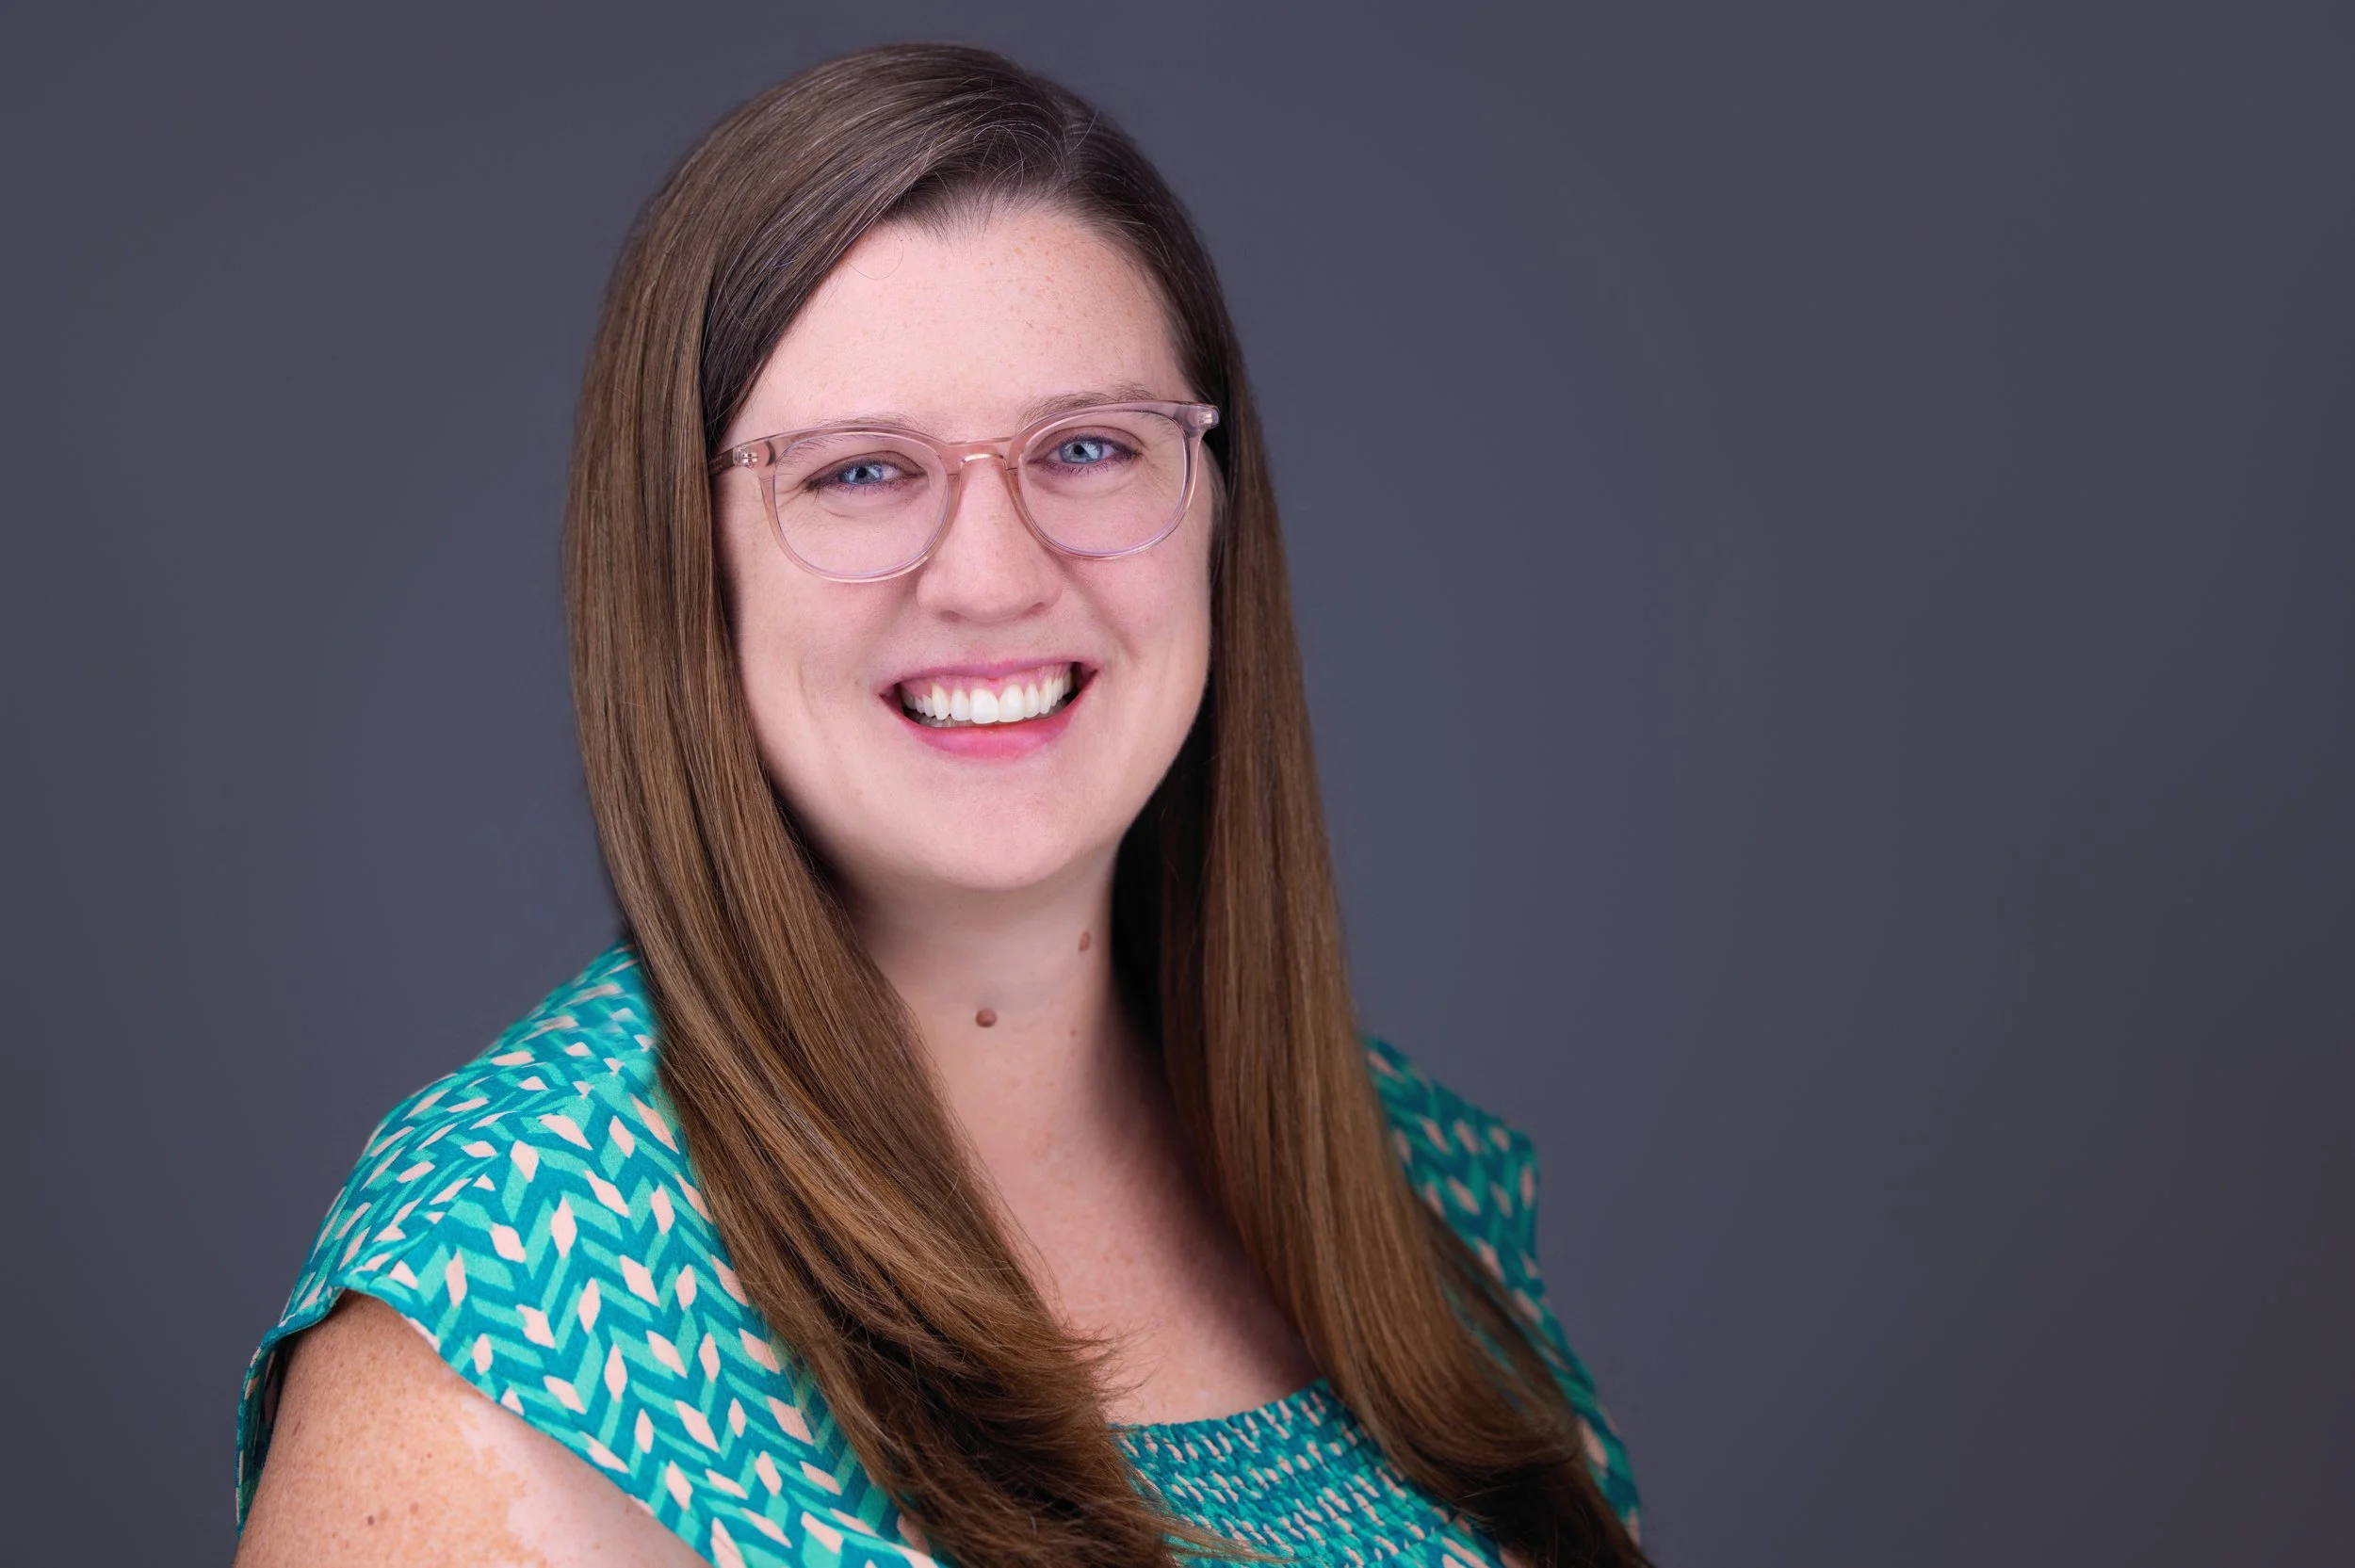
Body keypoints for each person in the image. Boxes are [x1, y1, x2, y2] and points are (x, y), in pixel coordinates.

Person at [232, 42, 1647, 1568]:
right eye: (859, 475)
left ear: (1220, 514)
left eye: (1091, 449)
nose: (992, 575)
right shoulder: (506, 1300)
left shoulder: (1404, 1187)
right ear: (682, 565)